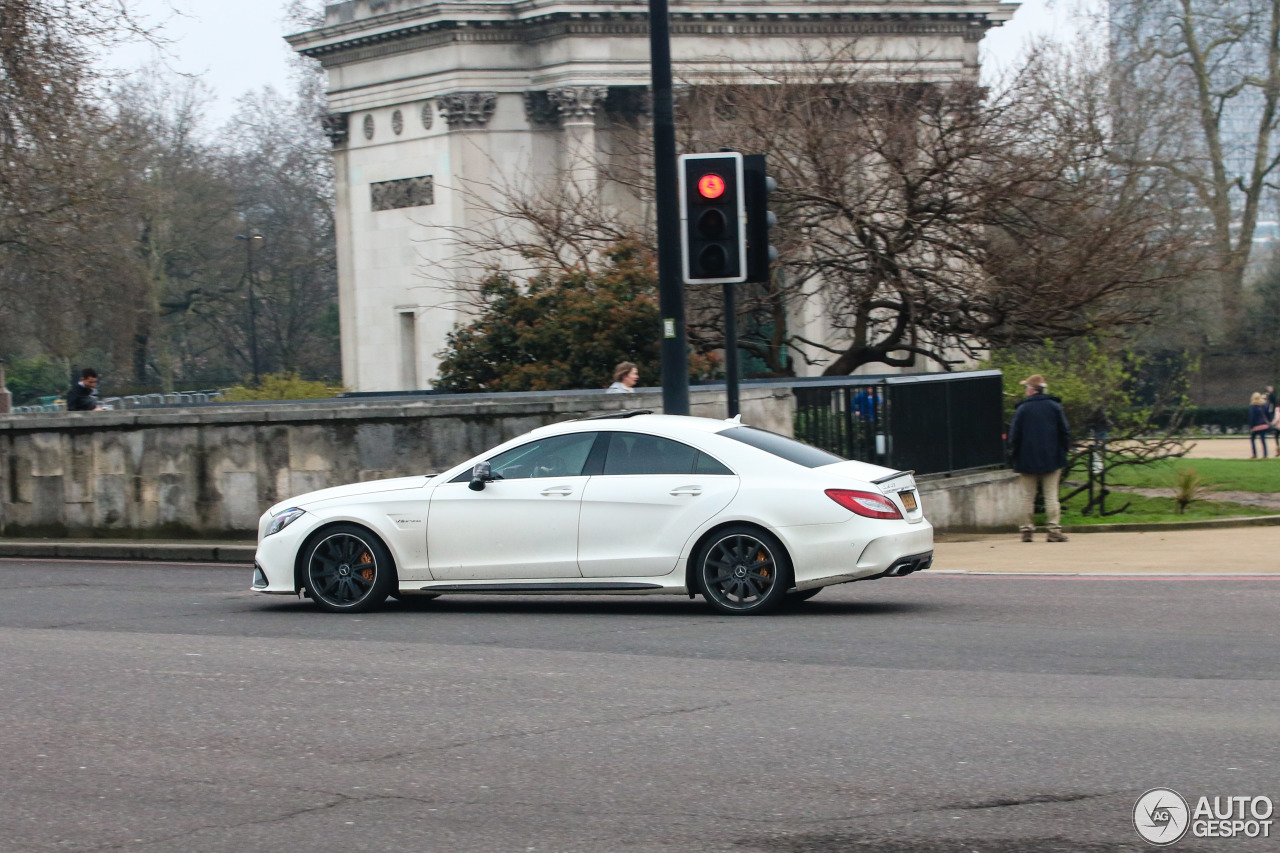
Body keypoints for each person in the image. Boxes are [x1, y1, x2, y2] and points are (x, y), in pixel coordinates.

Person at [1008, 374, 1071, 542]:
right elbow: (1065, 432)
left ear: (1031, 390)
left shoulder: (1022, 409)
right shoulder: (1054, 406)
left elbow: (1014, 436)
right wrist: (1062, 452)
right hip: (1052, 457)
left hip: (1026, 459)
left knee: (1027, 497)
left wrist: (1015, 456)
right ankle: (1053, 530)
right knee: (1051, 495)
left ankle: (1027, 530)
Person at [1248, 391, 1270, 459]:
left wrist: (1251, 426)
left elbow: (1252, 417)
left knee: (1252, 440)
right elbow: (1268, 415)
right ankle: (1265, 454)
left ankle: (1254, 454)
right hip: (1263, 425)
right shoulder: (1263, 405)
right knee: (1263, 440)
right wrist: (1269, 421)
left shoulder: (1253, 406)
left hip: (1256, 426)